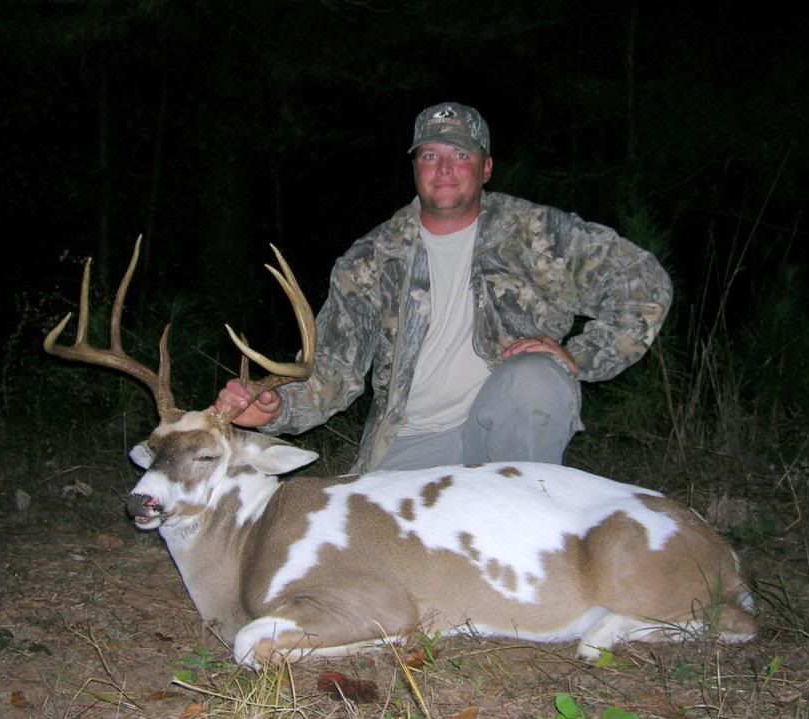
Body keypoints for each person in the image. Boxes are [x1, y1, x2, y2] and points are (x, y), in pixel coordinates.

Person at [215, 102, 672, 474]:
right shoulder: (371, 258)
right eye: (431, 155)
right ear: (415, 167)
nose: (445, 169)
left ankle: (530, 520)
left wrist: (583, 355)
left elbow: (644, 285)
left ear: (486, 167)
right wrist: (277, 408)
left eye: (461, 155)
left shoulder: (539, 234)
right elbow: (335, 368)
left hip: (501, 432)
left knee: (535, 377)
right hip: (412, 440)